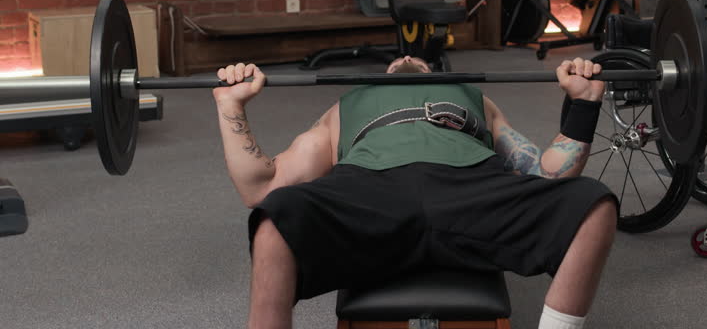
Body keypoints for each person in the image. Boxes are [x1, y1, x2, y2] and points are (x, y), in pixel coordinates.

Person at [213, 56, 617, 329]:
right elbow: (262, 186)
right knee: (274, 221)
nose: (407, 59)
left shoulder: (474, 98)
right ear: (386, 74)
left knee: (592, 206)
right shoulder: (349, 104)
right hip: (371, 192)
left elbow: (550, 174)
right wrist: (231, 106)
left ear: (432, 71)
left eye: (419, 60)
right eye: (398, 61)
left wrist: (584, 104)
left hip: (472, 188)